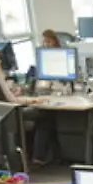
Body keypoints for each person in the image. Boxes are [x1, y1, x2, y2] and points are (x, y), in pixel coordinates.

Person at [32, 31, 63, 165]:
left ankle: (44, 156)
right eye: (44, 42)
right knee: (45, 118)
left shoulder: (62, 57)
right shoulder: (41, 59)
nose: (46, 44)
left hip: (55, 93)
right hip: (44, 95)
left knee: (46, 118)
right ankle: (44, 156)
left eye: (49, 41)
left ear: (55, 42)